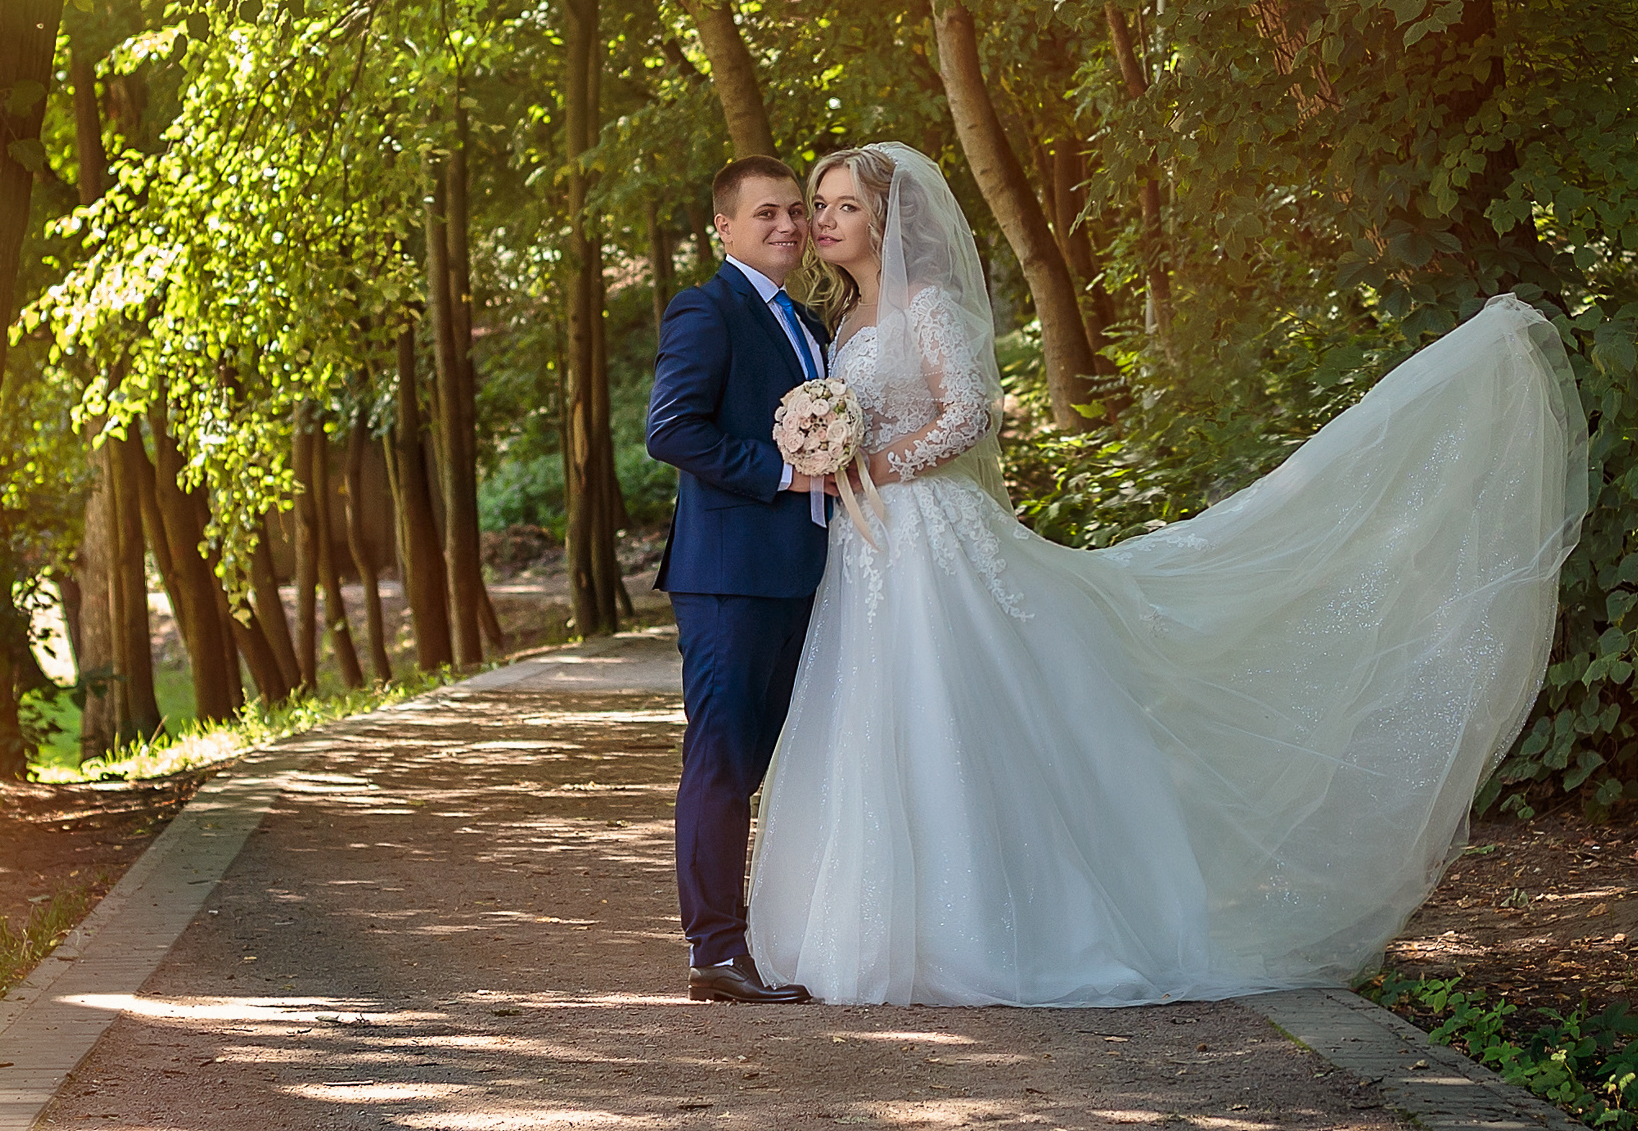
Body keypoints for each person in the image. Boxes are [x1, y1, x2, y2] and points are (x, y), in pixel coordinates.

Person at [747, 143, 1588, 1006]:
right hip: (865, 549)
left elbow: (967, 417)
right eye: (818, 203)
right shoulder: (840, 325)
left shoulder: (927, 305)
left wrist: (879, 463)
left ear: (884, 218)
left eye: (842, 204)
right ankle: (879, 925)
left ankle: (995, 927)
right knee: (872, 716)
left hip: (932, 537)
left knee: (948, 714)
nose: (820, 218)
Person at [644, 155, 834, 1003]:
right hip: (728, 576)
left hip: (798, 571)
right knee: (720, 760)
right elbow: (672, 429)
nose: (789, 225)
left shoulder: (806, 320)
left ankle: (756, 934)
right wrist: (785, 474)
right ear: (724, 226)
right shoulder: (707, 309)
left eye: (796, 211)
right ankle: (713, 952)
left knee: (759, 764)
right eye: (768, 214)